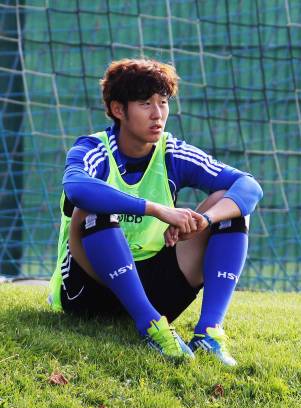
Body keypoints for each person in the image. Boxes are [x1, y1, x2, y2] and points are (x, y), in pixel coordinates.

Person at [48, 58, 263, 365]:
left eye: (163, 102)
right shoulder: (93, 148)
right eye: (145, 103)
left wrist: (203, 220)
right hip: (89, 291)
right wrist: (157, 210)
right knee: (92, 209)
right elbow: (77, 189)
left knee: (230, 209)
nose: (158, 113)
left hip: (155, 286)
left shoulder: (171, 151)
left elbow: (248, 186)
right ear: (118, 110)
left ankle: (208, 333)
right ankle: (151, 327)